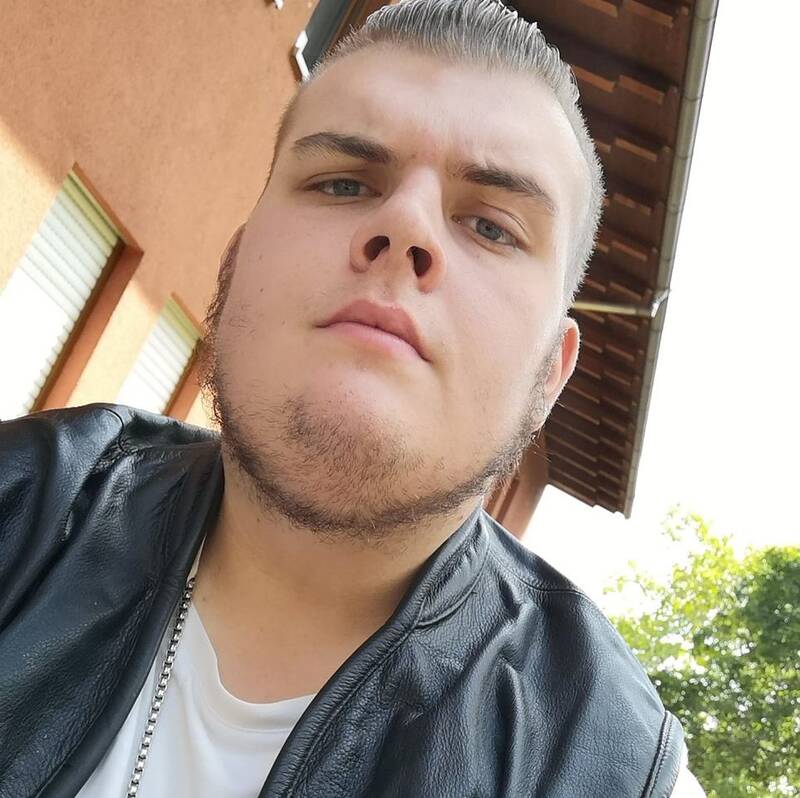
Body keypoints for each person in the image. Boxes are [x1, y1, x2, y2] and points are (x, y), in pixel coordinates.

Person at [0, 0, 706, 795]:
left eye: (492, 227)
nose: (406, 225)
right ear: (235, 265)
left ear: (551, 373)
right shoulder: (22, 503)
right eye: (342, 182)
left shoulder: (610, 769)